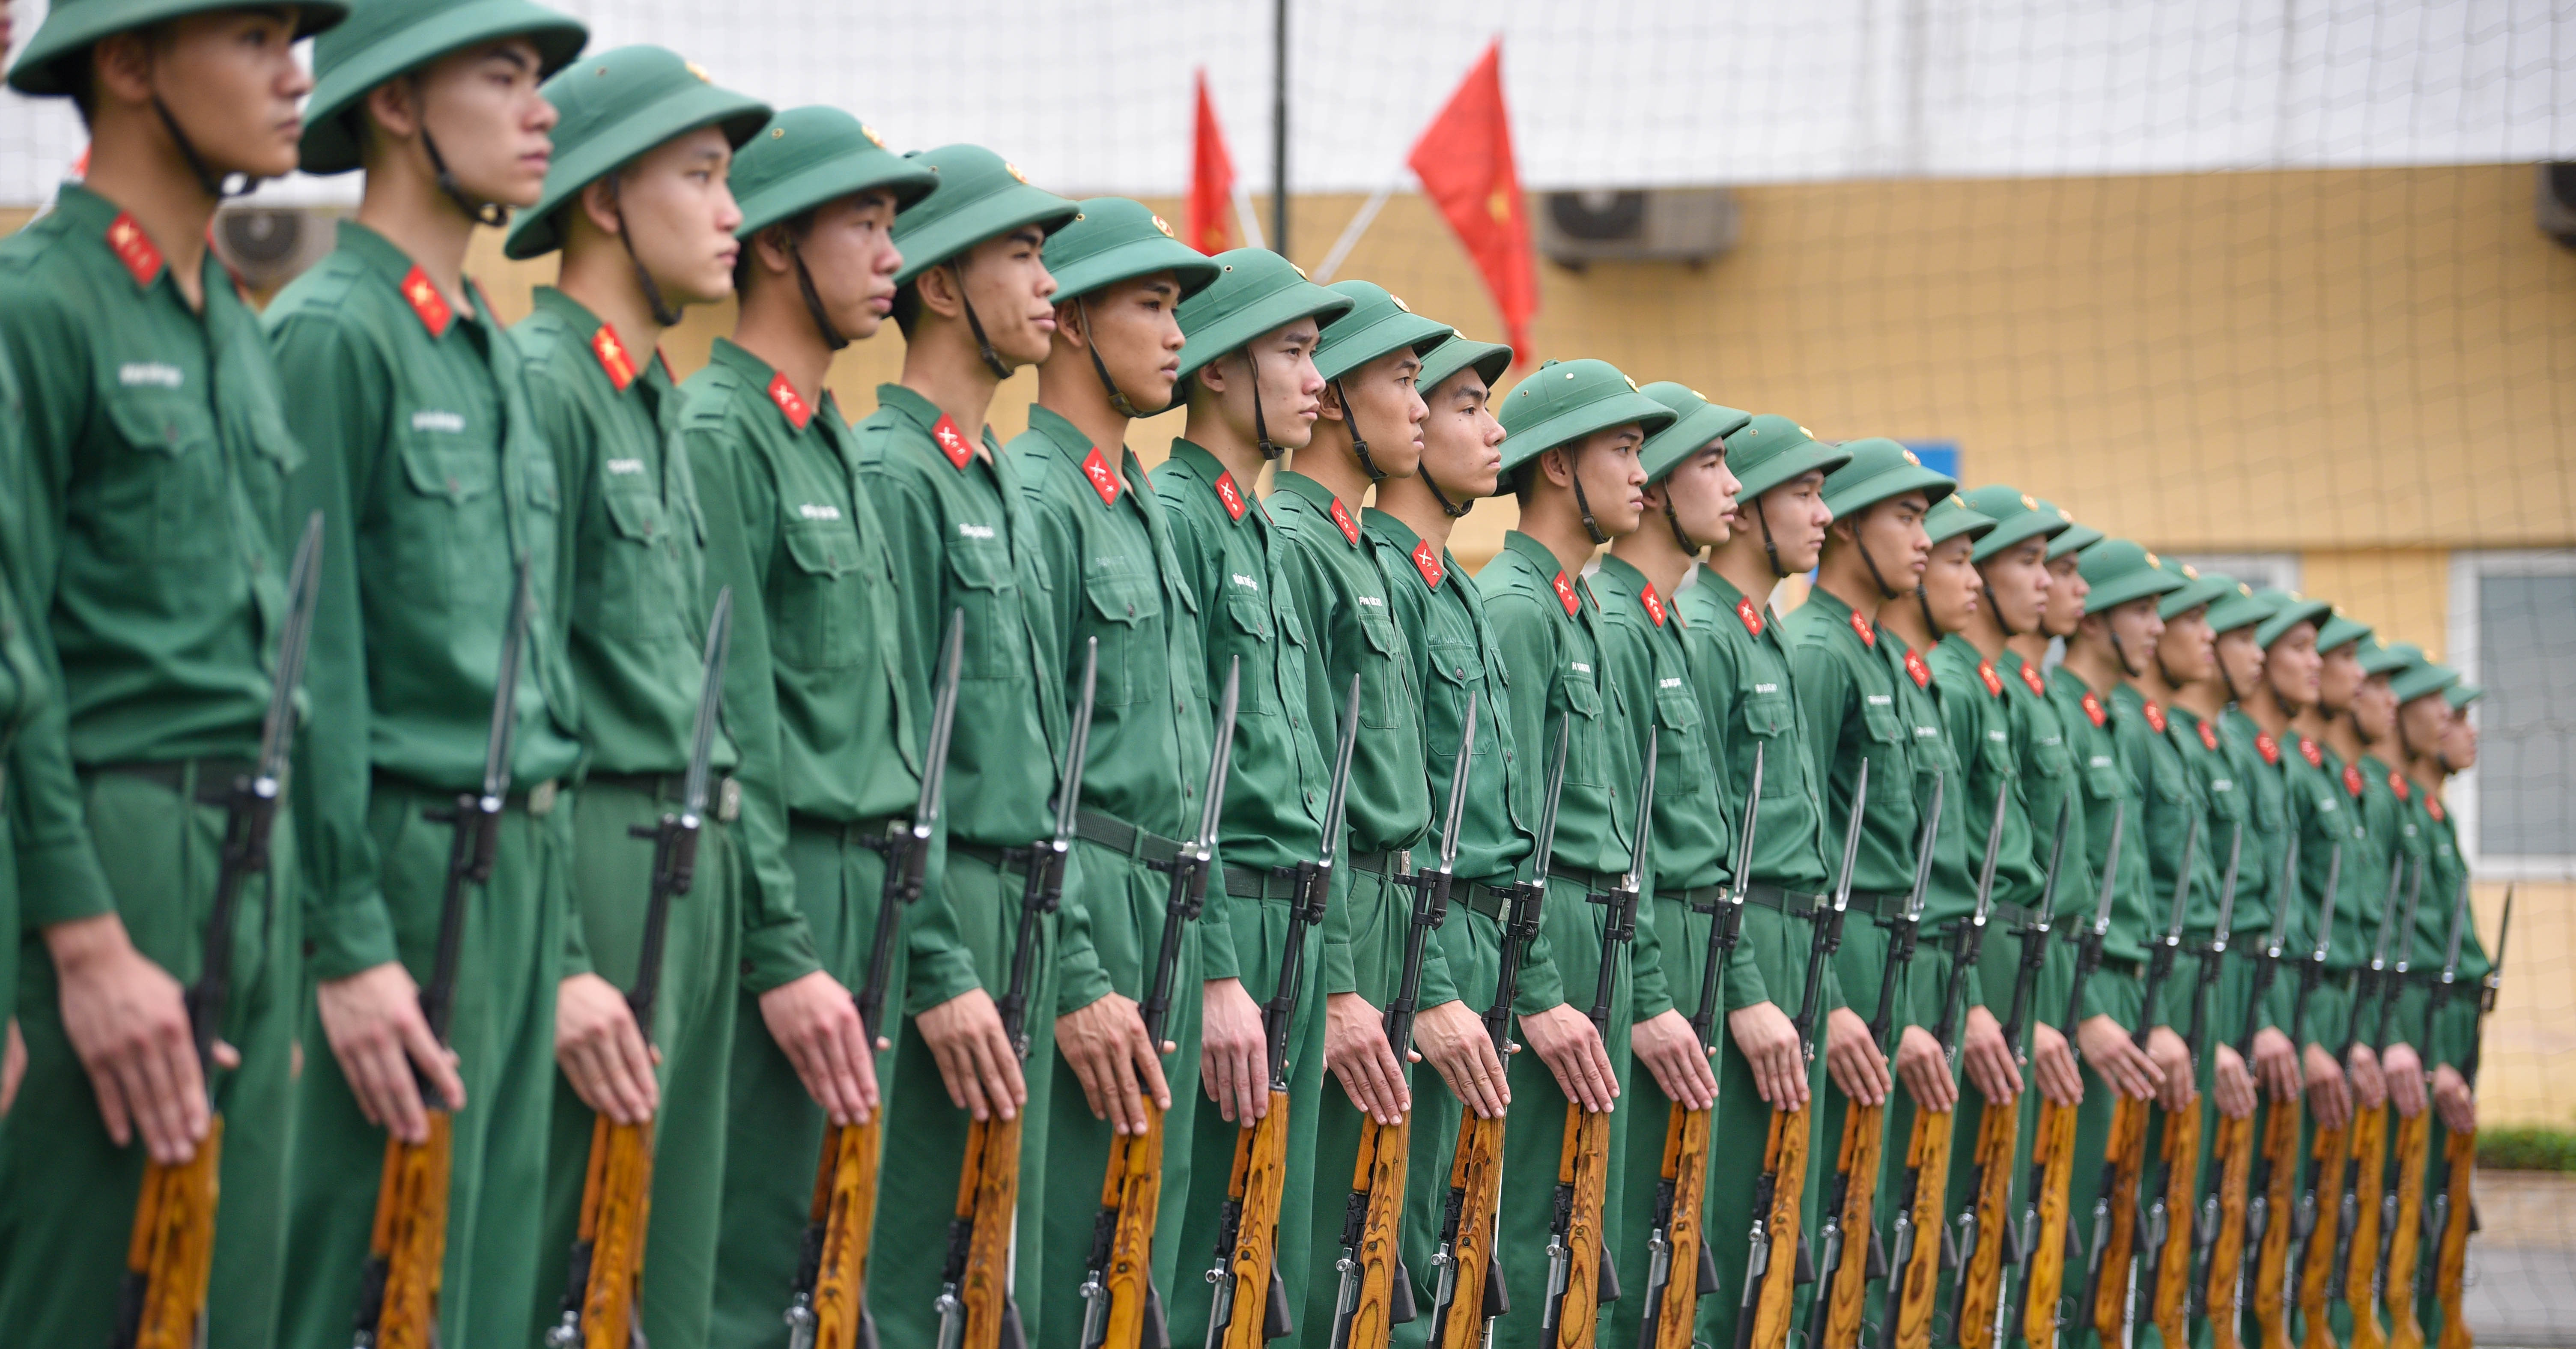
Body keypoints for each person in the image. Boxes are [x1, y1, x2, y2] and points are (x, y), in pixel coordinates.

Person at [0, 2, 350, 1341]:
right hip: (114, 845)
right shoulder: (40, 305)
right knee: (93, 1296)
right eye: (254, 38)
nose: (294, 73)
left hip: (253, 864)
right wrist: (82, 939)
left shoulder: (229, 323)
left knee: (235, 1307)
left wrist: (304, 934)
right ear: (131, 66)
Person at [260, 3, 588, 1344]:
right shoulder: (330, 334)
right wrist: (344, 936)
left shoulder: (491, 347)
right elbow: (304, 667)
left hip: (517, 866)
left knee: (488, 1295)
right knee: (367, 1286)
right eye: (501, 77)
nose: (542, 111)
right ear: (395, 106)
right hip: (396, 871)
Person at [671, 106, 983, 1346]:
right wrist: (782, 948)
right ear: (780, 242)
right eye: (864, 222)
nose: (890, 254)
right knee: (753, 1277)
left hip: (880, 895)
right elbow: (728, 723)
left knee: (845, 1278)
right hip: (782, 893)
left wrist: (933, 948)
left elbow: (903, 728)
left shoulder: (836, 446)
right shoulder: (721, 432)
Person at [496, 45, 769, 1349]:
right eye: (704, 177)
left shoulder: (647, 395)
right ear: (603, 199)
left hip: (689, 846)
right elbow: (520, 695)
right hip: (599, 846)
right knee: (568, 1260)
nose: (733, 211)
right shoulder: (546, 382)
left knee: (663, 1271)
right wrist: (555, 953)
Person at [849, 141, 1094, 1346]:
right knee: (907, 1281)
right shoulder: (893, 474)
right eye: (1022, 253)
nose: (1049, 282)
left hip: (1025, 912)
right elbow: (895, 757)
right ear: (940, 285)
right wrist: (940, 961)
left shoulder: (988, 477)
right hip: (932, 923)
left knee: (999, 1289)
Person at [1005, 196, 1218, 1348]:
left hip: (1167, 905)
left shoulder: (1133, 504)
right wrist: (1080, 965)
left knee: (1147, 1269)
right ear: (1076, 321)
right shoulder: (1039, 500)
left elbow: (1195, 772)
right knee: (1068, 1267)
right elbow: (1025, 763)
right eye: (1150, 303)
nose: (1178, 330)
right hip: (1088, 897)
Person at [1152, 248, 1348, 1336]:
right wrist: (1220, 960)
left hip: (1298, 920)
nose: (1315, 380)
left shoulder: (1260, 531)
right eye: (1292, 351)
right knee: (1194, 1271)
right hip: (1227, 919)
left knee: (1261, 1267)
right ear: (1218, 369)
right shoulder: (1179, 514)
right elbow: (1193, 774)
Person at [1479, 356, 1676, 1348]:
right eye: (1624, 449)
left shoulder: (1575, 608)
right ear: (1557, 464)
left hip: (1598, 927)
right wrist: (1538, 985)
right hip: (1546, 935)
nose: (1644, 473)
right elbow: (1502, 822)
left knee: (1580, 1248)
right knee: (1532, 1241)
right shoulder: (1515, 608)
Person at [1356, 329, 1542, 1334]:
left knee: (1449, 1263)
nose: (1481, 427)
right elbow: (1387, 813)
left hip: (1475, 935)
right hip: (1415, 940)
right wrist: (1425, 983)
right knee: (1391, 1269)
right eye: (1462, 404)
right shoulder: (1381, 575)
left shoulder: (1451, 586)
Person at [1671, 413, 1852, 1349]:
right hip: (1734, 948)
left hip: (1795, 943)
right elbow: (1689, 841)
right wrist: (1739, 985)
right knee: (1713, 1255)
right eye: (1803, 493)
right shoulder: (1702, 633)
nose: (1821, 515)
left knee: (1773, 1245)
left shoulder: (1766, 636)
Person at [1787, 440, 1965, 1326]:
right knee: (1831, 1218)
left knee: (1880, 1228)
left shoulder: (1877, 656)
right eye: (1905, 516)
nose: (1923, 540)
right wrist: (1831, 994)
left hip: (1897, 944)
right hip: (1846, 947)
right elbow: (1802, 843)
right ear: (1848, 527)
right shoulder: (1818, 651)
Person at [1590, 382, 1740, 1349]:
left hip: (1696, 941)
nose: (1732, 485)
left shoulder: (1668, 624)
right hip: (1634, 949)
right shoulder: (1608, 622)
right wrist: (1647, 993)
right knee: (1600, 1258)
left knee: (1671, 1252)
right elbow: (1613, 840)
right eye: (1711, 464)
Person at [2048, 538, 2184, 1346]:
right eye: (2145, 609)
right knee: (2068, 1232)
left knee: (2118, 1228)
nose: (2162, 629)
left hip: (2129, 981)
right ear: (2096, 618)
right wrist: (2088, 1004)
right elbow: (2058, 883)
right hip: (2079, 985)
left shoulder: (2106, 720)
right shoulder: (2065, 711)